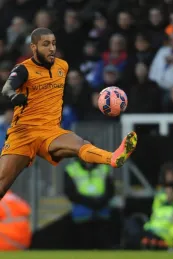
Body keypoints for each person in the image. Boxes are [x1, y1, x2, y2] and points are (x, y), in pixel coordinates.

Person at [0, 27, 137, 200]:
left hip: (49, 130)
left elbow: (71, 95)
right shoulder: (23, 69)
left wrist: (94, 100)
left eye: (53, 44)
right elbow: (7, 88)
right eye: (46, 44)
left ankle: (113, 158)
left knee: (80, 144)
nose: (51, 48)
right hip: (24, 132)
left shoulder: (61, 67)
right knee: (3, 182)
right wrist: (15, 96)